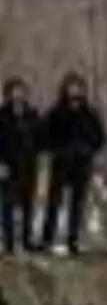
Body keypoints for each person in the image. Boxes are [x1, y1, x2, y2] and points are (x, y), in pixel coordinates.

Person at [40, 72, 106, 256]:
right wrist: (57, 151)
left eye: (78, 87)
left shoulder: (89, 113)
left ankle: (73, 239)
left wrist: (88, 151)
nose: (75, 91)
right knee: (54, 203)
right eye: (72, 87)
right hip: (61, 163)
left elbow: (99, 136)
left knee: (77, 204)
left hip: (82, 164)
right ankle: (48, 239)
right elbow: (44, 135)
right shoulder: (56, 112)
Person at [0, 77, 41, 254]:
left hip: (29, 165)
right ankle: (8, 242)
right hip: (7, 165)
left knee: (28, 205)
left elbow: (41, 137)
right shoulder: (2, 115)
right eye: (15, 91)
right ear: (8, 94)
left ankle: (26, 239)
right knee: (7, 205)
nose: (18, 95)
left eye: (21, 91)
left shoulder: (32, 114)